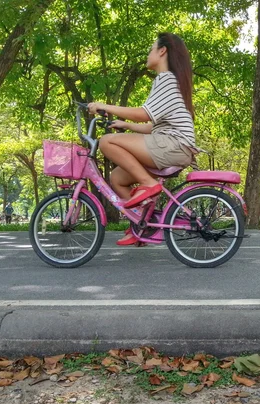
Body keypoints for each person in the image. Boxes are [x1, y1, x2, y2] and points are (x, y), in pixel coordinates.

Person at [88, 33, 198, 245]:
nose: (148, 54)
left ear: (162, 51)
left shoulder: (166, 79)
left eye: (151, 49)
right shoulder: (166, 81)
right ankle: (141, 227)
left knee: (106, 142)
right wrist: (126, 125)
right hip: (168, 144)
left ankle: (148, 184)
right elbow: (152, 125)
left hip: (174, 145)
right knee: (118, 179)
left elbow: (144, 113)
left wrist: (104, 106)